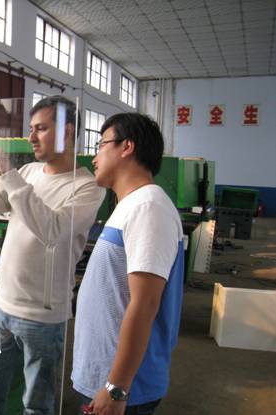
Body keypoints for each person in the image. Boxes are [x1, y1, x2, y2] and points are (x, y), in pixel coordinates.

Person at [0, 95, 105, 415]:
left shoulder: (87, 187)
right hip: (2, 306)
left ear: (66, 131)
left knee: (37, 405)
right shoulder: (28, 172)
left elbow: (51, 231)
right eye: (31, 129)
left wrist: (7, 172)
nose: (31, 137)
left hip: (43, 317)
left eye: (40, 128)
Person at [71, 113, 184, 415]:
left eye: (101, 145)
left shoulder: (149, 207)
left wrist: (116, 388)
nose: (95, 156)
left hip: (124, 389)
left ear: (127, 147)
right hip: (103, 378)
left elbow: (145, 303)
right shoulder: (131, 205)